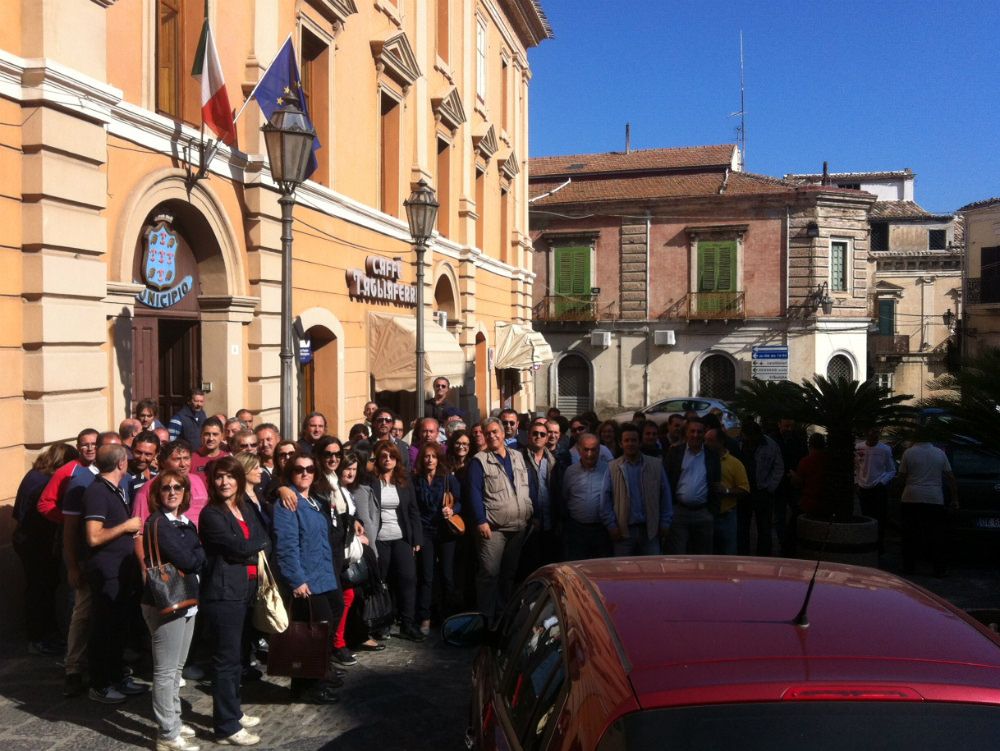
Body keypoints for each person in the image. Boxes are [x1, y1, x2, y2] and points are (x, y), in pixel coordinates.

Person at [198, 457, 269, 745]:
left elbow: (263, 535)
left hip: (246, 590)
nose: (224, 482)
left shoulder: (243, 506)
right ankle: (226, 727)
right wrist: (255, 547)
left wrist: (252, 548)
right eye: (219, 477)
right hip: (223, 593)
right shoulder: (211, 514)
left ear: (239, 479)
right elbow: (238, 547)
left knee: (238, 657)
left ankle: (233, 711)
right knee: (225, 661)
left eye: (230, 476)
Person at [272, 452, 345, 703]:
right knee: (312, 634)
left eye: (310, 469)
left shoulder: (314, 500)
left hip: (324, 574)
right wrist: (297, 579)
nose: (305, 473)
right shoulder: (287, 503)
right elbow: (286, 546)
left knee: (330, 620)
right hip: (306, 579)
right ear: (290, 473)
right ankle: (307, 687)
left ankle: (320, 673)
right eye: (299, 469)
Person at [140, 471, 205, 751]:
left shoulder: (184, 521)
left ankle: (174, 723)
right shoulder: (159, 523)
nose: (172, 492)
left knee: (177, 669)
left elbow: (197, 553)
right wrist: (197, 555)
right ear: (157, 494)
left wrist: (197, 554)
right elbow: (190, 559)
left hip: (186, 598)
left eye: (178, 487)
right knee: (166, 672)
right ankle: (166, 734)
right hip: (165, 601)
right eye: (166, 488)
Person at [82, 444, 148, 703]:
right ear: (121, 463)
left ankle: (117, 676)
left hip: (121, 570)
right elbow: (93, 536)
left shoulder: (115, 488)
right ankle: (100, 684)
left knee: (119, 627)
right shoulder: (98, 492)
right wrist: (126, 527)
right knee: (104, 628)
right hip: (106, 571)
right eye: (128, 459)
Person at [13, 443, 79, 655]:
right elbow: (44, 513)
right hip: (37, 542)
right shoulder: (45, 482)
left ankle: (46, 634)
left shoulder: (33, 475)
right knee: (40, 589)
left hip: (27, 539)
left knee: (43, 588)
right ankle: (38, 638)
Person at [467, 418, 533, 624]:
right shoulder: (479, 461)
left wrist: (531, 512)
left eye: (495, 432)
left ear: (504, 433)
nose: (492, 436)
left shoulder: (518, 456)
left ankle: (503, 614)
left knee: (508, 574)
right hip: (493, 528)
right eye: (488, 433)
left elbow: (526, 486)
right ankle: (486, 618)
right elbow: (474, 493)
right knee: (489, 574)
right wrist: (480, 520)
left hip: (518, 526)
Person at [366, 440, 424, 641]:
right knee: (383, 581)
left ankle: (408, 623)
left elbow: (413, 510)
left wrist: (417, 538)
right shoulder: (371, 481)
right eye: (384, 456)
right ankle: (383, 622)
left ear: (397, 459)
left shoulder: (404, 480)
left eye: (391, 456)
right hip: (379, 538)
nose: (388, 460)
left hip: (401, 537)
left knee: (408, 579)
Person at [600, 424, 673, 556]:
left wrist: (665, 522)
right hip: (623, 532)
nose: (630, 444)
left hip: (650, 531)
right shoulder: (612, 468)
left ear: (639, 442)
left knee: (651, 571)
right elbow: (605, 500)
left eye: (634, 440)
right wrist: (611, 526)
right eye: (627, 440)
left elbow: (665, 496)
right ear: (621, 444)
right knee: (623, 572)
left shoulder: (655, 465)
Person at [337, 452, 385, 654]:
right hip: (341, 554)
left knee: (355, 595)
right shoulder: (334, 490)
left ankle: (353, 637)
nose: (350, 473)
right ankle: (339, 643)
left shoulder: (349, 490)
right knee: (346, 596)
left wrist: (357, 524)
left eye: (354, 469)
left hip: (354, 551)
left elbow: (354, 516)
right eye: (347, 468)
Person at [412, 442, 462, 632]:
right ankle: (425, 616)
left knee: (447, 575)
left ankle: (447, 616)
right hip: (425, 531)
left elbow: (460, 501)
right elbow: (413, 508)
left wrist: (452, 509)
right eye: (426, 456)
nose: (430, 460)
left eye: (433, 456)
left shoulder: (448, 478)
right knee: (427, 575)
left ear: (438, 458)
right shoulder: (416, 480)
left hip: (446, 531)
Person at [897, 435, 958, 576]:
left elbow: (901, 477)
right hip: (934, 498)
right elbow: (951, 478)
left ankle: (909, 567)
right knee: (936, 535)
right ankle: (939, 569)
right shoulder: (939, 453)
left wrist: (898, 492)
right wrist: (955, 499)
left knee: (909, 535)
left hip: (911, 497)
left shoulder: (908, 452)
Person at [665, 419, 721, 555]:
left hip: (703, 513)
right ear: (686, 433)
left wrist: (712, 511)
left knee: (703, 557)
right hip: (679, 512)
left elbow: (716, 483)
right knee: (679, 556)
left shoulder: (712, 455)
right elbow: (666, 481)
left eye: (699, 431)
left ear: (704, 433)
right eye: (692, 431)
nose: (696, 435)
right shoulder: (675, 453)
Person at [134, 441, 210, 527]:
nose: (183, 464)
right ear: (163, 462)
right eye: (177, 459)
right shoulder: (147, 489)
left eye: (186, 458)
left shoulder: (197, 480)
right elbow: (139, 532)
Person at [560, 433, 611, 560]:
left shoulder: (608, 471)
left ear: (599, 450)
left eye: (593, 450)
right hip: (577, 530)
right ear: (579, 450)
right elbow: (565, 496)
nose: (590, 454)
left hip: (601, 530)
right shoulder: (570, 472)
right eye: (586, 449)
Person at [737, 420, 784, 557]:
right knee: (742, 527)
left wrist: (770, 487)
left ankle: (763, 557)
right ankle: (742, 555)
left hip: (762, 492)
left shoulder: (770, 445)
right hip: (743, 491)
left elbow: (778, 467)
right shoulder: (739, 443)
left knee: (764, 528)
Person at [704, 428, 749, 555]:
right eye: (705, 440)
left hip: (726, 516)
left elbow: (744, 489)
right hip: (707, 514)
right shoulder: (701, 460)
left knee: (728, 553)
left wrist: (727, 490)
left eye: (710, 441)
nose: (706, 444)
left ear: (721, 442)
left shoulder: (735, 464)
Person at [854, 427, 896, 555]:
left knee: (880, 517)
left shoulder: (885, 449)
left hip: (878, 488)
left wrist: (882, 482)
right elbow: (855, 467)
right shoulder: (858, 448)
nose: (875, 435)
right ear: (867, 433)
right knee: (865, 516)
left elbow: (891, 469)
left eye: (877, 432)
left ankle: (879, 545)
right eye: (873, 432)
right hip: (862, 487)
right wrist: (856, 482)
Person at [253, 423, 280, 487]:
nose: (265, 444)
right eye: (260, 441)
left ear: (278, 439)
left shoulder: (285, 464)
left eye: (268, 439)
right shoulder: (253, 467)